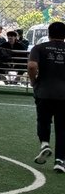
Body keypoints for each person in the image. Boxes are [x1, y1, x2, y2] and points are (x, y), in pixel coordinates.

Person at [28, 21, 65, 174]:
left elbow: (32, 66)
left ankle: (44, 143)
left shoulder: (39, 48)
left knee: (43, 120)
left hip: (44, 91)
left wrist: (33, 81)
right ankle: (60, 161)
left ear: (48, 34)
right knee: (62, 128)